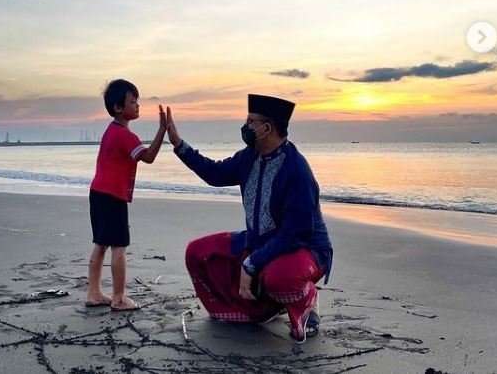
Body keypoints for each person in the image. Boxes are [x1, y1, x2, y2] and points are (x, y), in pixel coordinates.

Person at [166, 94, 333, 343]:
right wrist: (179, 145)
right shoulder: (249, 156)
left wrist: (251, 263)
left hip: (304, 249)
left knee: (278, 278)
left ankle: (307, 298)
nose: (246, 127)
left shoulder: (296, 171)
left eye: (250, 121)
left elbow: (296, 233)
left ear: (267, 128)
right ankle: (258, 309)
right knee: (197, 252)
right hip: (260, 243)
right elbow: (215, 173)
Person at [86, 79, 166, 311]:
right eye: (133, 101)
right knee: (119, 246)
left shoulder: (111, 131)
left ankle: (93, 292)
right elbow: (149, 156)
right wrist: (162, 130)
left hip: (98, 193)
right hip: (112, 196)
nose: (138, 105)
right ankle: (119, 297)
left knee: (101, 243)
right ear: (119, 108)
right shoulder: (124, 135)